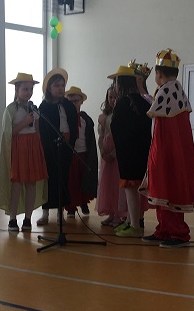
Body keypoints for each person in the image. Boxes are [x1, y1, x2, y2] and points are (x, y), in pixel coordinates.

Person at [139, 49, 194, 247]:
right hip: (170, 151)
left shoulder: (166, 91)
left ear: (158, 74)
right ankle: (164, 229)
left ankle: (178, 233)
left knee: (170, 188)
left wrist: (157, 157)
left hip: (167, 152)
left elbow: (160, 127)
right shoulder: (175, 90)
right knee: (163, 190)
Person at [0, 73, 48, 232]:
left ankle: (27, 218)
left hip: (32, 147)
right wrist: (25, 122)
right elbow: (8, 133)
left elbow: (37, 131)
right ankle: (12, 219)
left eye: (31, 89)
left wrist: (38, 148)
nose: (28, 92)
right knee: (17, 184)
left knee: (31, 184)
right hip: (18, 148)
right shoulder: (11, 109)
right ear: (17, 90)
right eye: (25, 89)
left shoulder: (34, 108)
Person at [108, 65, 152, 237]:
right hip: (142, 151)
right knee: (135, 188)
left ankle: (134, 226)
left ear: (121, 83)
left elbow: (117, 127)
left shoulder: (123, 102)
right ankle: (130, 221)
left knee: (130, 189)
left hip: (128, 153)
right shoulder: (143, 101)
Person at [37, 68, 78, 225]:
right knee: (49, 180)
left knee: (63, 179)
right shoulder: (44, 107)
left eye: (62, 85)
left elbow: (73, 124)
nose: (61, 89)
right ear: (49, 88)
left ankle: (61, 212)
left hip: (65, 147)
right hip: (50, 149)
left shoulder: (68, 105)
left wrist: (70, 140)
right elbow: (42, 130)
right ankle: (45, 213)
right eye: (57, 86)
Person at [64, 86, 98, 217]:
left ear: (81, 101)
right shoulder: (65, 119)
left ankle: (84, 202)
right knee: (71, 182)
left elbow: (89, 137)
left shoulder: (85, 119)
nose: (74, 104)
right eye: (71, 101)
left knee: (84, 180)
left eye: (76, 101)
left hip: (84, 153)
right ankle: (71, 207)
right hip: (71, 154)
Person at [96, 85, 127, 226]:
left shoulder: (123, 115)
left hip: (117, 154)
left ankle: (119, 214)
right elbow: (101, 136)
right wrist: (103, 151)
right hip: (106, 154)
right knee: (107, 183)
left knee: (117, 184)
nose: (113, 100)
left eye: (116, 97)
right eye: (110, 97)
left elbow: (123, 138)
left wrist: (114, 154)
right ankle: (111, 213)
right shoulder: (103, 117)